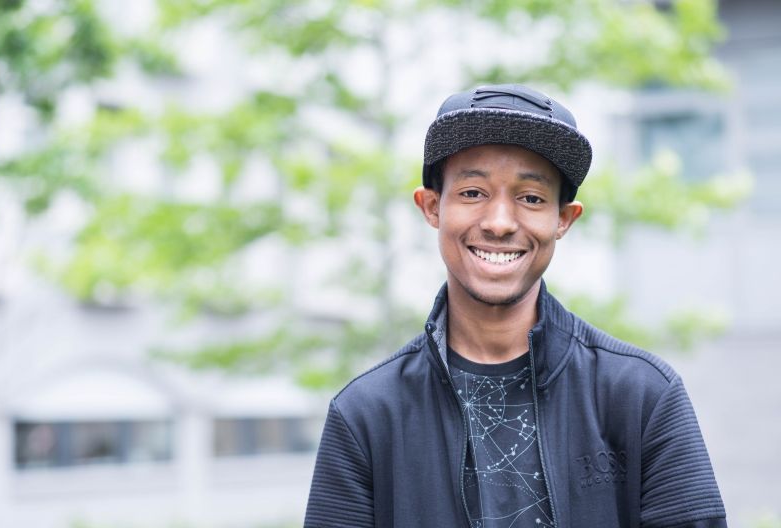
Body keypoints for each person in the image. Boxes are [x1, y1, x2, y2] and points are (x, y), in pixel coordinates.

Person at [304, 84, 726, 527]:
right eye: (472, 193)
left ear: (563, 219)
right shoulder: (367, 414)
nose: (500, 223)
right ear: (432, 207)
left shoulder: (641, 396)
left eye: (531, 198)